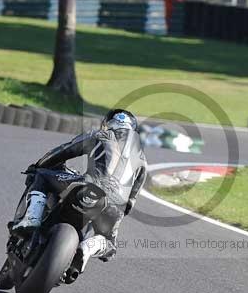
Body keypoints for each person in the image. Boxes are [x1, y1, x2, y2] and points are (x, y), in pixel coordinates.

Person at [13, 109, 147, 263]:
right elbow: (131, 200)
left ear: (107, 123)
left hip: (89, 186)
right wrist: (120, 210)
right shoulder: (141, 157)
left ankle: (32, 218)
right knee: (110, 245)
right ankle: (87, 248)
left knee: (42, 174)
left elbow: (64, 151)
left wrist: (39, 165)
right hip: (115, 206)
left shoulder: (98, 135)